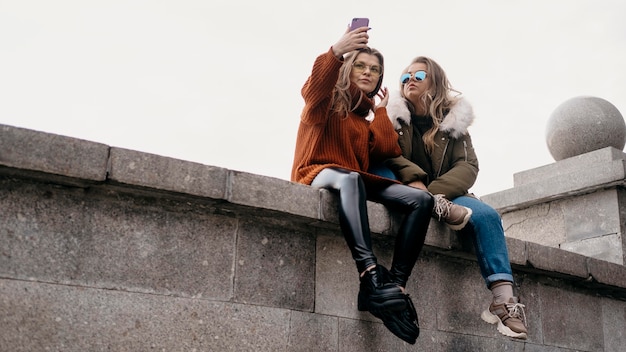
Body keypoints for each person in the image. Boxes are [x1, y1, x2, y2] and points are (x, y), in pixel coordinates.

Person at [291, 26, 434, 344]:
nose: (369, 72)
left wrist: (379, 111)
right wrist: (336, 52)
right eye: (361, 65)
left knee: (421, 201)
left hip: (355, 180)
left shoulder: (364, 118)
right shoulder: (323, 104)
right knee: (351, 177)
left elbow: (386, 149)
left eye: (375, 69)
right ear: (346, 68)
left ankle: (394, 286)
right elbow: (313, 89)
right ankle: (369, 274)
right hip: (317, 171)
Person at [384, 56, 528, 340]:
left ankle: (503, 301)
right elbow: (389, 155)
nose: (409, 80)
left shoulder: (454, 124)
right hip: (406, 190)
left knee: (487, 216)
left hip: (447, 196)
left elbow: (467, 166)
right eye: (404, 77)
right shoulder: (392, 119)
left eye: (419, 75)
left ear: (435, 81)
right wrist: (420, 188)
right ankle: (436, 206)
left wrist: (435, 193)